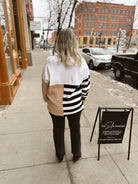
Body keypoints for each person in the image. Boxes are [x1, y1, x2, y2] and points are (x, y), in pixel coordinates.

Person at [42, 28, 90, 162]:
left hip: (55, 105)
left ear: (58, 42)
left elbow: (45, 83)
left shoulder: (50, 61)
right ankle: (76, 154)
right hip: (75, 105)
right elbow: (86, 85)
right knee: (75, 129)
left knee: (58, 130)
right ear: (74, 42)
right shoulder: (81, 62)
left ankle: (60, 154)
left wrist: (46, 98)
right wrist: (83, 99)